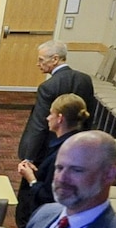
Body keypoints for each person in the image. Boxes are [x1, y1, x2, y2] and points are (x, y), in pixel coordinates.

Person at [16, 40, 98, 168]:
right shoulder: (85, 80)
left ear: (55, 59)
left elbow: (39, 124)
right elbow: (89, 115)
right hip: (77, 147)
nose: (38, 64)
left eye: (41, 60)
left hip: (49, 149)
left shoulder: (48, 86)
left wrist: (29, 156)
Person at [13, 95, 89, 228]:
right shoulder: (75, 143)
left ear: (60, 118)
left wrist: (31, 178)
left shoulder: (62, 154)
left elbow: (49, 197)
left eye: (50, 114)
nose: (47, 118)